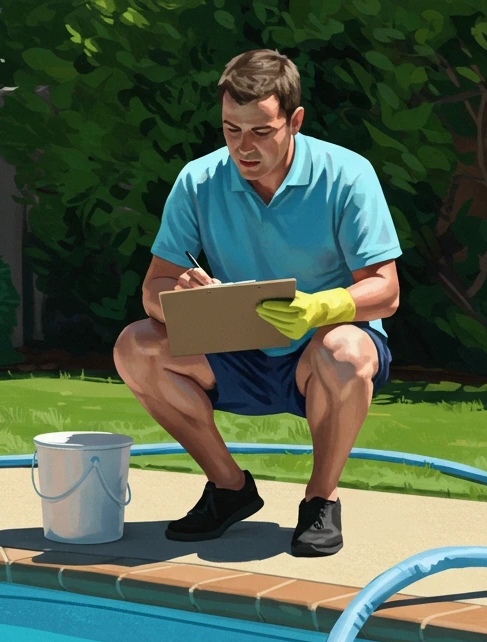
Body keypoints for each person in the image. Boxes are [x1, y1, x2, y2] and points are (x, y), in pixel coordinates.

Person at [113, 49, 402, 557]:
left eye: (260, 132)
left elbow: (386, 289)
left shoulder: (348, 175)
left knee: (349, 350)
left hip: (318, 350)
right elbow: (152, 287)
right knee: (134, 346)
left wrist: (320, 308)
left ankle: (320, 500)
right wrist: (177, 297)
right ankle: (229, 489)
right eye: (231, 130)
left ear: (294, 121)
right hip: (235, 345)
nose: (243, 148)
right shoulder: (198, 180)